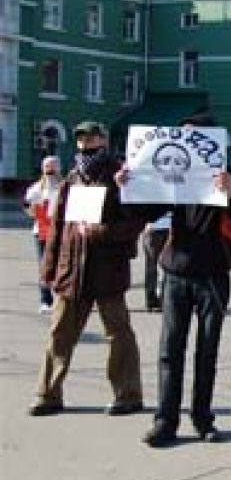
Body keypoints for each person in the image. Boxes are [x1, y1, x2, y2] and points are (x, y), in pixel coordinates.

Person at [118, 112, 231, 447]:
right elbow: (144, 212)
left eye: (192, 137)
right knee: (170, 350)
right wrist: (127, 186)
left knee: (206, 352)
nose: (183, 143)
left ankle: (202, 418)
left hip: (213, 275)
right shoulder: (173, 173)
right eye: (180, 136)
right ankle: (165, 421)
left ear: (210, 143)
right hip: (176, 272)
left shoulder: (228, 177)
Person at [29, 121, 144, 417]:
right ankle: (48, 394)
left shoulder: (120, 176)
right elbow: (57, 228)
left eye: (92, 137)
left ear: (104, 140)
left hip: (108, 271)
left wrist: (98, 231)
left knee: (118, 334)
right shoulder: (71, 178)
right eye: (81, 137)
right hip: (72, 270)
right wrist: (49, 269)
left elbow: (134, 223)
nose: (86, 142)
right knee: (59, 334)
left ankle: (128, 395)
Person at [23, 156, 62, 314]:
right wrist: (31, 210)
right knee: (44, 267)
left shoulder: (65, 187)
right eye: (47, 167)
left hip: (61, 232)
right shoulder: (36, 188)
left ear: (59, 168)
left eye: (53, 167)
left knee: (62, 266)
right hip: (41, 233)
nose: (50, 170)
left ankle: (62, 298)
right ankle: (46, 300)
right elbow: (27, 206)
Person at [141, 213, 171, 312]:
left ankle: (153, 299)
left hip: (157, 227)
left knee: (153, 265)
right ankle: (159, 298)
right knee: (165, 265)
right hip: (163, 226)